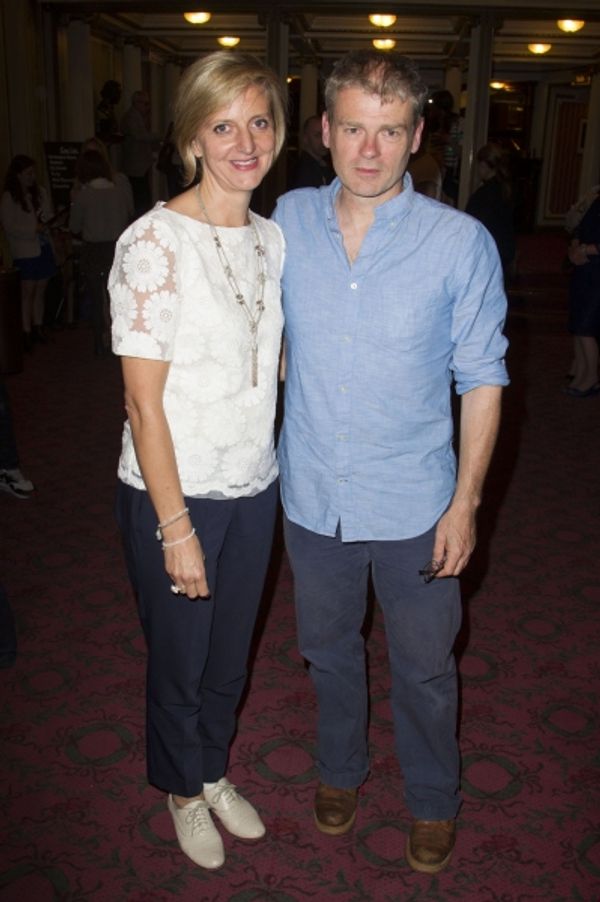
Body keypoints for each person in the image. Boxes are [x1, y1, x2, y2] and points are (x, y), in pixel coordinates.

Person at [272, 49, 509, 875]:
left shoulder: (460, 243)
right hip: (311, 495)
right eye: (353, 129)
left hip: (415, 503)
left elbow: (482, 378)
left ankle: (433, 799)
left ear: (417, 139)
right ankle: (341, 770)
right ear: (326, 132)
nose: (368, 150)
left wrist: (467, 504)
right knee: (327, 651)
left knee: (425, 670)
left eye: (390, 132)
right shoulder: (287, 218)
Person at [109, 51, 287, 871]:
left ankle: (212, 770)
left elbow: (269, 352)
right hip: (173, 493)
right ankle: (182, 788)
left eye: (259, 121)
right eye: (223, 126)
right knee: (180, 658)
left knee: (230, 654)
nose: (244, 141)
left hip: (255, 486)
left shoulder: (272, 239)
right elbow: (144, 404)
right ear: (192, 138)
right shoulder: (153, 242)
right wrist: (175, 526)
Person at [69, 149, 133, 355]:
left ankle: (99, 341)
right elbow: (129, 214)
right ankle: (119, 340)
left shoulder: (84, 195)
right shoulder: (119, 192)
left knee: (97, 298)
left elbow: (74, 227)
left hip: (94, 249)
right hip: (115, 248)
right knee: (117, 299)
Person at [1, 155, 56, 349]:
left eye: (34, 173)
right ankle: (25, 331)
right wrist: (33, 230)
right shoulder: (9, 197)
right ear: (17, 175)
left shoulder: (39, 192)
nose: (32, 177)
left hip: (42, 246)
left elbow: (47, 214)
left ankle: (38, 327)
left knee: (40, 289)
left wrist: (50, 221)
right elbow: (9, 226)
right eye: (28, 173)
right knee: (28, 292)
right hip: (25, 249)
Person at [565, 189, 600, 397]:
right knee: (578, 324)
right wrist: (575, 247)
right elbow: (580, 227)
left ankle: (591, 377)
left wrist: (587, 250)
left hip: (597, 270)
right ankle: (580, 371)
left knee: (586, 327)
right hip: (584, 269)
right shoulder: (596, 199)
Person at [466, 143, 516, 280]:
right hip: (503, 248)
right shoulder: (505, 188)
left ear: (484, 166)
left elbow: (474, 222)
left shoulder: (485, 194)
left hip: (489, 250)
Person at [120, 90, 159, 217]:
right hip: (135, 165)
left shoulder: (138, 116)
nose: (147, 108)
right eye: (146, 104)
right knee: (139, 196)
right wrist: (157, 136)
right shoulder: (132, 116)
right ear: (137, 103)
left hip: (141, 164)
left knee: (143, 195)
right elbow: (139, 135)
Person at [290, 115, 335, 188]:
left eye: (326, 134)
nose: (324, 140)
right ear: (306, 139)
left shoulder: (324, 164)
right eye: (317, 135)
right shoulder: (304, 170)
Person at [95, 80, 122, 146]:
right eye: (118, 93)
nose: (120, 96)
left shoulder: (111, 108)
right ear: (111, 93)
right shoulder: (102, 109)